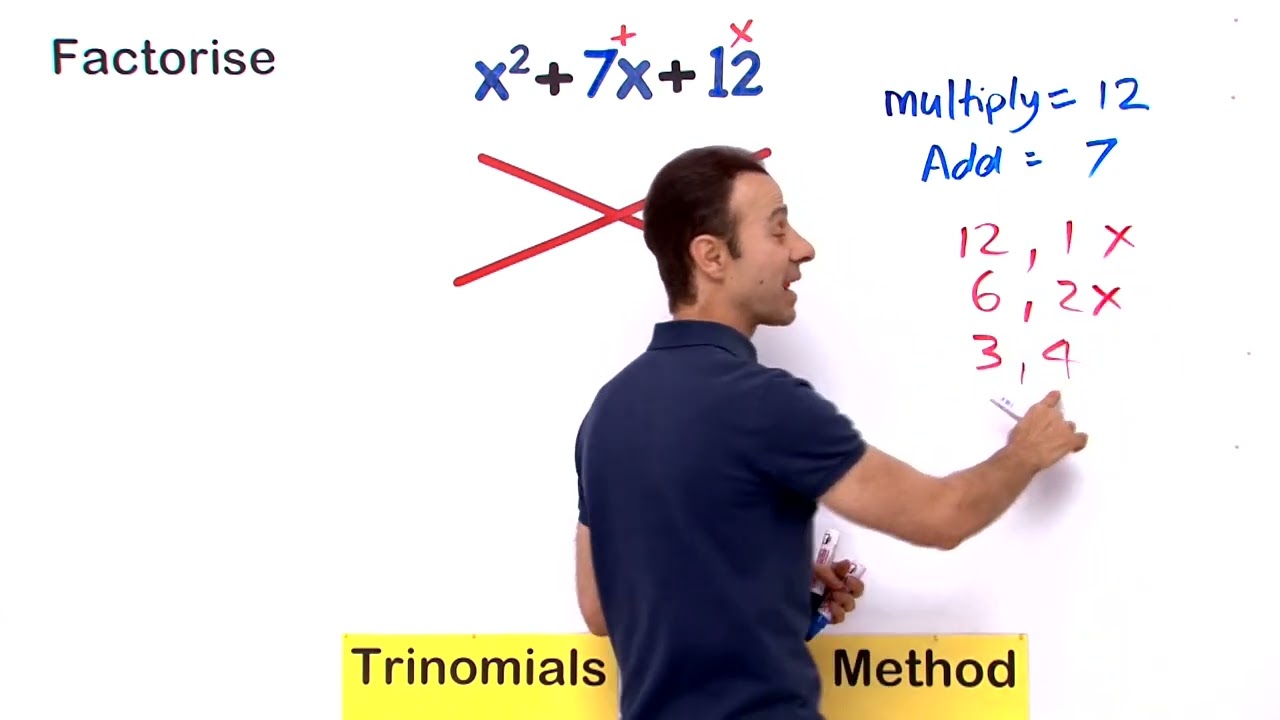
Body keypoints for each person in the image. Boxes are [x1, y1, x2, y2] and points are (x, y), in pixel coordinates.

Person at [571, 146, 1088, 720]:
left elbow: (599, 607)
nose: (802, 248)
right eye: (777, 229)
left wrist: (766, 587)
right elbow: (942, 516)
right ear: (711, 256)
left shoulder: (607, 413)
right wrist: (1025, 452)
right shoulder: (761, 402)